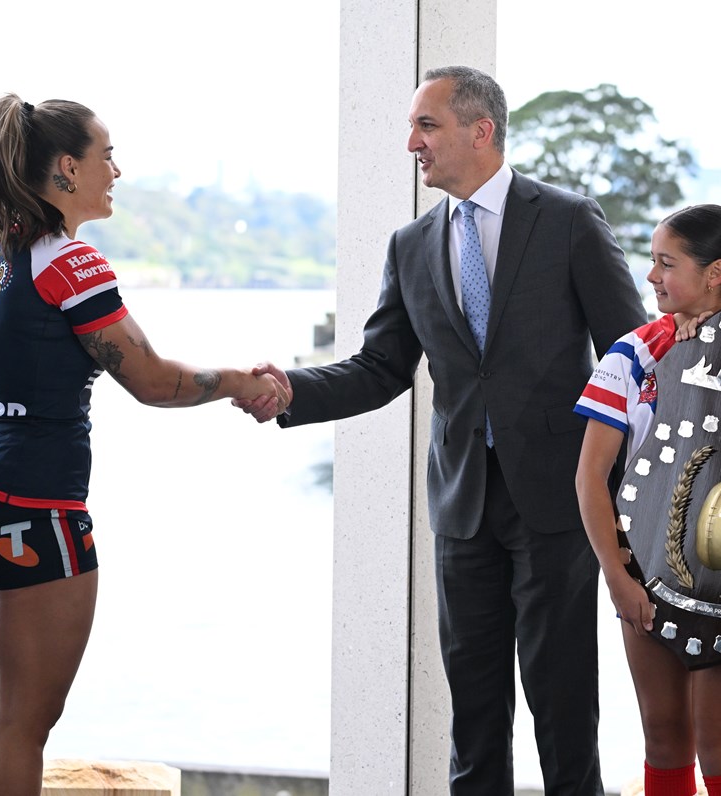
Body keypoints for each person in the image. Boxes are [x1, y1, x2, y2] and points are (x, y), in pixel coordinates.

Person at [234, 65, 647, 795]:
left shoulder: (568, 220)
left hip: (558, 508)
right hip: (463, 513)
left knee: (563, 716)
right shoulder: (411, 245)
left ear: (480, 130)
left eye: (426, 126)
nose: (410, 144)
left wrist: (634, 501)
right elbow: (380, 368)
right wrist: (291, 391)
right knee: (474, 724)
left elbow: (631, 356)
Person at [0, 93, 289, 796]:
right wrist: (240, 381)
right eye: (107, 155)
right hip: (40, 502)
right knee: (25, 719)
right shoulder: (69, 261)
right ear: (68, 169)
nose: (118, 170)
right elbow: (155, 382)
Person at [575, 204, 721, 796]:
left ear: (715, 274)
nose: (652, 277)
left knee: (717, 744)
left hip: (716, 584)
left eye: (667, 263)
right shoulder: (632, 354)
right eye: (652, 261)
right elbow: (590, 478)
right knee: (662, 736)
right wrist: (617, 577)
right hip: (639, 571)